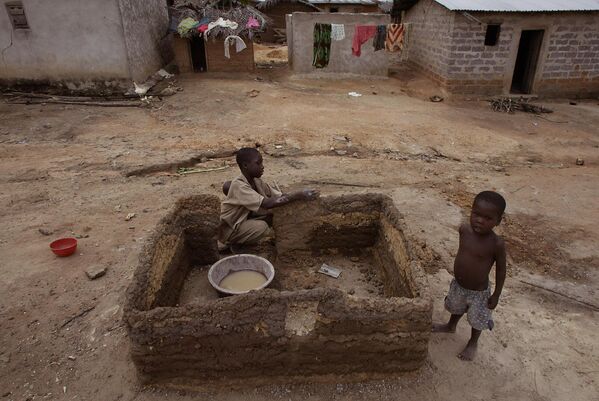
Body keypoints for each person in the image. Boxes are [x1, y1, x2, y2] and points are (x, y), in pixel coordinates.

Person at [433, 191, 507, 361]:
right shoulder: (464, 229)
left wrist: (496, 294)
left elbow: (501, 270)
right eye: (476, 214)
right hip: (459, 285)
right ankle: (451, 325)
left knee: (477, 320)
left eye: (488, 218)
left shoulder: (496, 244)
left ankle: (473, 342)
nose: (480, 220)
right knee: (456, 307)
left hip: (479, 293)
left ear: (498, 221)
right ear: (471, 210)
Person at [218, 147, 319, 250]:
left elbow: (278, 197)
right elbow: (267, 204)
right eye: (258, 163)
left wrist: (295, 196)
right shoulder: (239, 186)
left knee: (272, 216)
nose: (262, 167)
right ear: (245, 165)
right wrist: (298, 195)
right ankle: (232, 243)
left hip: (244, 220)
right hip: (230, 229)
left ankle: (243, 238)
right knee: (262, 227)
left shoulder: (257, 181)